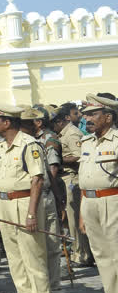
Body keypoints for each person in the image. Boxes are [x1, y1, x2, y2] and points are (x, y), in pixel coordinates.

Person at [0, 102, 55, 293]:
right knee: (16, 262)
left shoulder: (30, 144)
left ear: (7, 122)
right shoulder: (0, 147)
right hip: (7, 205)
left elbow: (37, 180)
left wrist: (31, 214)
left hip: (25, 203)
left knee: (34, 260)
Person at [21, 107, 74, 293]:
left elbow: (52, 169)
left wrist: (57, 197)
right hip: (27, 199)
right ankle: (38, 290)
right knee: (33, 247)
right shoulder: (16, 143)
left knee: (52, 244)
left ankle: (54, 288)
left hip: (45, 194)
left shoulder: (49, 139)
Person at [78, 94, 118, 293]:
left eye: (93, 114)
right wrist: (83, 214)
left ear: (108, 117)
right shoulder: (87, 142)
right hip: (90, 203)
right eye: (85, 114)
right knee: (103, 260)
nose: (87, 118)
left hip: (113, 202)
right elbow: (85, 181)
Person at [51, 107, 93, 267]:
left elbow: (79, 156)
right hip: (65, 177)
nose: (53, 126)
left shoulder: (72, 133)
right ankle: (79, 251)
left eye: (54, 123)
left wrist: (58, 159)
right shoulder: (63, 134)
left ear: (61, 121)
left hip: (72, 178)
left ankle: (81, 254)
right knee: (70, 218)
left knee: (75, 218)